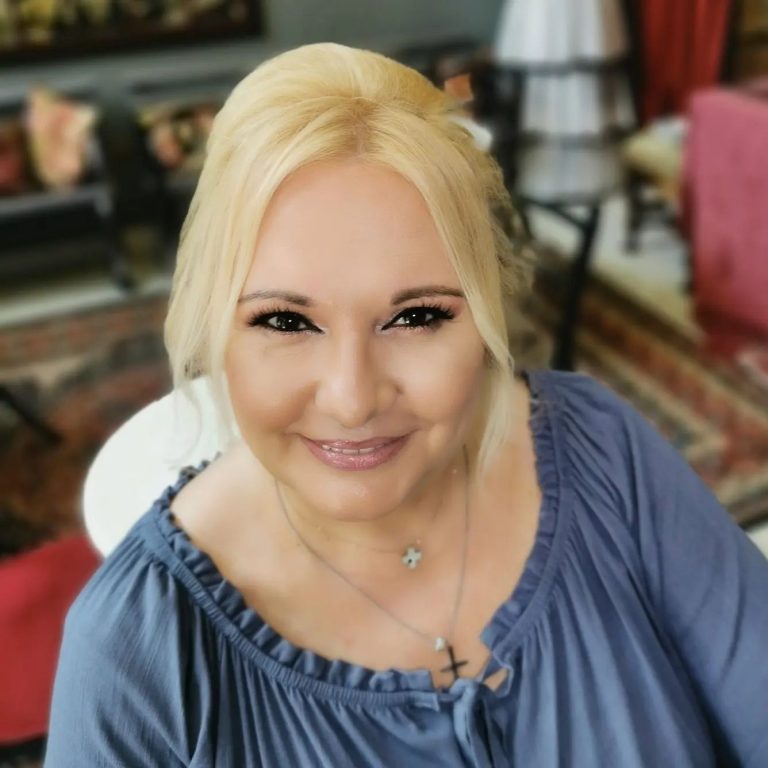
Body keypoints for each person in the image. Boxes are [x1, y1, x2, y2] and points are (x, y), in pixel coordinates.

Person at [44, 43, 768, 767]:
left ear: (485, 317)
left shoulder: (603, 449)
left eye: (417, 317)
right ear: (211, 328)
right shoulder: (131, 656)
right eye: (286, 321)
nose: (353, 400)